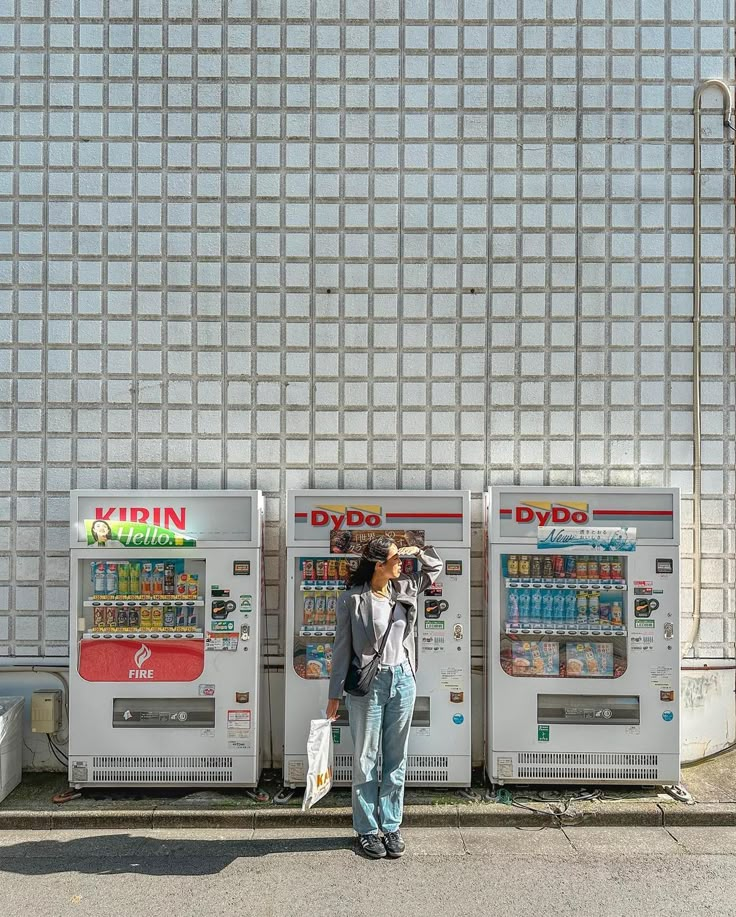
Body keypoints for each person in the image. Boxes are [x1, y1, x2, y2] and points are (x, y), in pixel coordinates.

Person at [327, 536, 442, 860]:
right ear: (379, 565)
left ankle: (391, 826)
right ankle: (366, 830)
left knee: (396, 759)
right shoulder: (352, 599)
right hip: (370, 684)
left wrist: (418, 549)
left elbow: (435, 567)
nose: (401, 563)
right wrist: (334, 694)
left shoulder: (404, 587)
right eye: (395, 558)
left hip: (403, 679)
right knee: (365, 759)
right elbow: (341, 648)